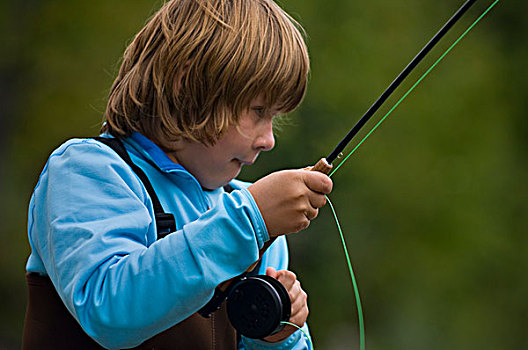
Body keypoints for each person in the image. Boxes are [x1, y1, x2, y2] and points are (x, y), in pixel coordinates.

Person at [22, 0, 333, 349]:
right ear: (188, 84)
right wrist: (249, 221)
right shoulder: (86, 171)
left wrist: (277, 335)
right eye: (258, 111)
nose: (269, 140)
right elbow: (107, 310)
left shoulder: (253, 214)